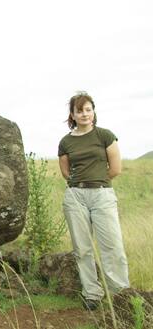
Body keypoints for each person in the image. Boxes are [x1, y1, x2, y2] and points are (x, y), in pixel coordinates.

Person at [57, 91, 130, 311]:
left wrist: (96, 181)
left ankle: (120, 297)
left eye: (88, 109)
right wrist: (81, 183)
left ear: (93, 111)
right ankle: (92, 295)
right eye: (80, 110)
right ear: (73, 114)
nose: (85, 114)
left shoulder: (105, 136)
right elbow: (65, 171)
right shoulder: (66, 141)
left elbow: (115, 168)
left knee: (112, 247)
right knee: (83, 249)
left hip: (102, 195)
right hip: (75, 197)